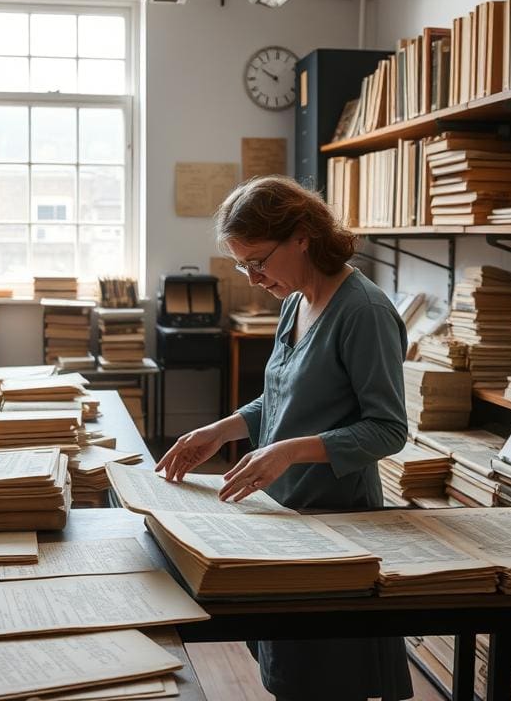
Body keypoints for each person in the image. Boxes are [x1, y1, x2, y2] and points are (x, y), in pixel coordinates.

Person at [156, 175, 413, 701]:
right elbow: (281, 395)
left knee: (323, 678)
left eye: (258, 260)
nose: (251, 278)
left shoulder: (363, 312)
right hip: (281, 513)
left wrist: (292, 449)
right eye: (240, 265)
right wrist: (219, 430)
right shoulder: (294, 302)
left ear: (302, 235)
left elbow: (388, 429)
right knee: (288, 673)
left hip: (335, 521)